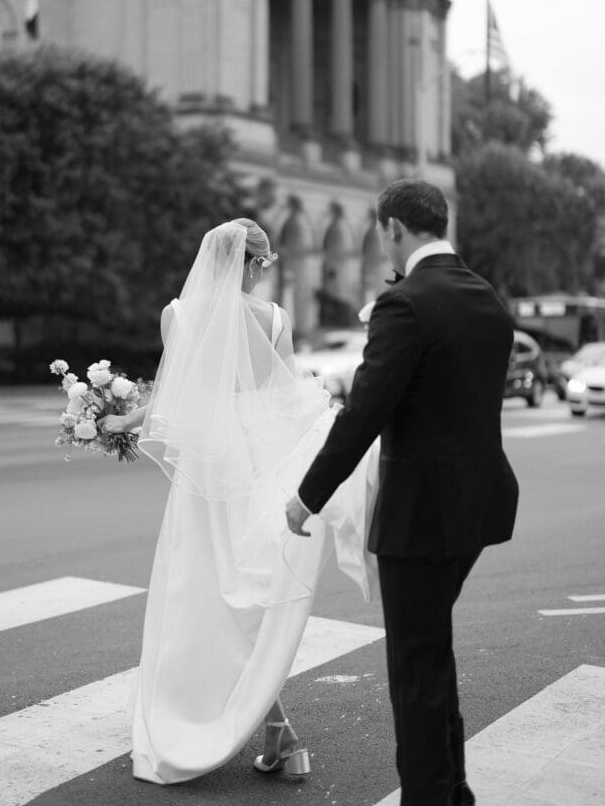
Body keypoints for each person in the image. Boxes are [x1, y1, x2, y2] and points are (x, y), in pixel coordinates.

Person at [101, 218, 374, 784]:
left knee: (198, 599)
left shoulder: (178, 315)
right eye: (261, 267)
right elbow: (288, 401)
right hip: (253, 475)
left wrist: (117, 419)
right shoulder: (275, 319)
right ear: (251, 265)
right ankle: (277, 730)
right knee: (246, 602)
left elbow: (177, 396)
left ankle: (264, 728)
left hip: (203, 482)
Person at [286, 179, 519, 806]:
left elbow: (364, 413)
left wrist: (307, 496)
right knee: (431, 650)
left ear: (393, 228)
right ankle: (454, 789)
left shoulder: (406, 304)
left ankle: (430, 797)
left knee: (415, 667)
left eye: (382, 234)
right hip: (480, 506)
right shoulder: (486, 298)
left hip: (422, 516)